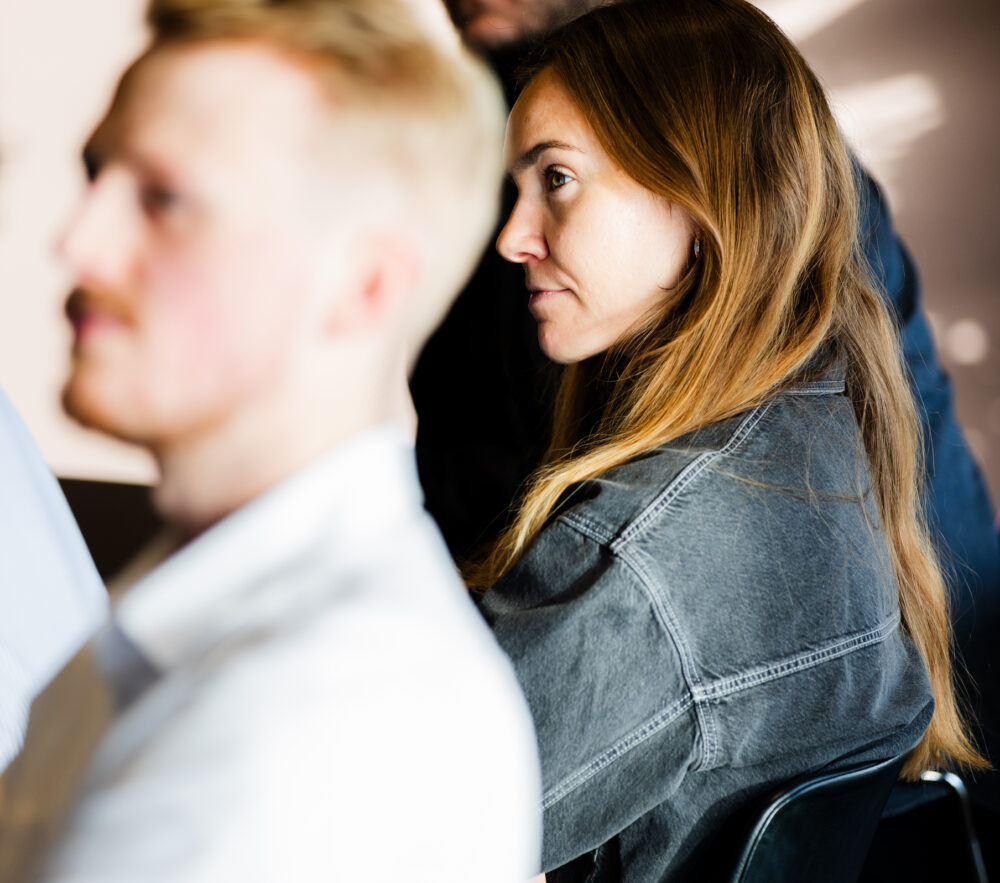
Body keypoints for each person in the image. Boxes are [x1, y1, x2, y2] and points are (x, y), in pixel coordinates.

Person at [8, 0, 542, 880]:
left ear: (365, 286)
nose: (78, 240)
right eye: (96, 175)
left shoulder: (305, 723)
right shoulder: (199, 617)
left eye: (165, 199)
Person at [468, 0, 986, 878]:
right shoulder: (827, 425)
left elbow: (384, 829)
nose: (512, 238)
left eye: (556, 178)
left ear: (697, 194)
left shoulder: (640, 571)